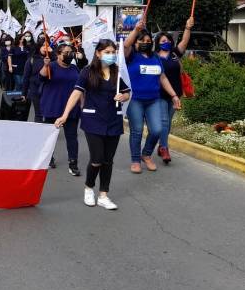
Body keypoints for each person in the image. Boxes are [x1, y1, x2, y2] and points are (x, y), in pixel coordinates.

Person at [55, 39, 131, 210]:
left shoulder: (116, 72)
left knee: (108, 161)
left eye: (113, 52)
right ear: (98, 53)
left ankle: (104, 195)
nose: (111, 55)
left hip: (113, 121)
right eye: (107, 52)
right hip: (93, 121)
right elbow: (76, 93)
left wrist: (123, 97)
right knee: (97, 159)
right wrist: (65, 114)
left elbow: (127, 92)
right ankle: (89, 188)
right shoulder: (87, 72)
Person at [123, 21, 182, 174]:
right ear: (136, 42)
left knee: (157, 130)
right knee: (136, 131)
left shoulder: (155, 57)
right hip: (135, 100)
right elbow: (126, 45)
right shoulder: (131, 56)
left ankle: (146, 154)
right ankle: (135, 160)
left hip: (153, 100)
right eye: (142, 40)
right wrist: (136, 30)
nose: (145, 43)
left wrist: (174, 95)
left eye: (148, 41)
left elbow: (162, 78)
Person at [155, 17, 194, 164]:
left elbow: (184, 41)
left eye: (168, 40)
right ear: (157, 43)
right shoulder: (154, 57)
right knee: (164, 121)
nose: (167, 43)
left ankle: (161, 145)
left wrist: (188, 28)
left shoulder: (174, 54)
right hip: (160, 94)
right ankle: (164, 148)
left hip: (175, 94)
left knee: (168, 122)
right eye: (163, 41)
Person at [40, 42, 80, 174]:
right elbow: (42, 77)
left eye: (71, 53)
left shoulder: (74, 68)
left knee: (72, 137)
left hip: (71, 109)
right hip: (52, 106)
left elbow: (80, 88)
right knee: (49, 135)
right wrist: (45, 65)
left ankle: (73, 163)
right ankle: (48, 158)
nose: (69, 55)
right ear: (58, 55)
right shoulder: (51, 66)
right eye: (66, 53)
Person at [22, 41, 49, 123]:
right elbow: (26, 77)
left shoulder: (53, 58)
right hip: (35, 89)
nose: (46, 47)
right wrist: (24, 93)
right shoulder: (32, 59)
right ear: (39, 47)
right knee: (39, 113)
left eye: (47, 46)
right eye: (43, 45)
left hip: (49, 89)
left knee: (49, 113)